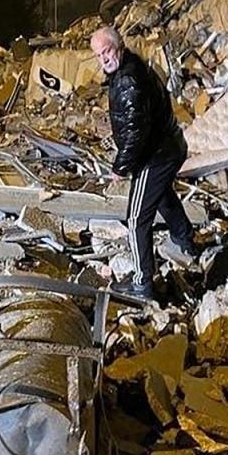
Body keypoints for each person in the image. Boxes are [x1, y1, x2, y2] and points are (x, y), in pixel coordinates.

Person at [91, 26, 196, 299]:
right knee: (162, 197)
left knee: (136, 218)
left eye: (107, 51)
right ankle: (185, 241)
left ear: (119, 47)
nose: (103, 59)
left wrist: (120, 166)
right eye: (98, 55)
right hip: (169, 147)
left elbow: (136, 130)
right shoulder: (131, 67)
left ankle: (142, 284)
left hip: (156, 156)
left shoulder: (128, 81)